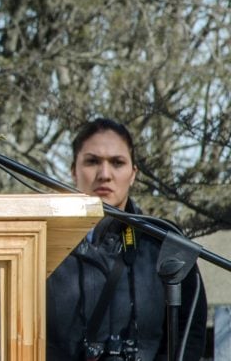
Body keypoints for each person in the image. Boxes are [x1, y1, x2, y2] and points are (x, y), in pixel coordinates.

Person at [46, 118, 207, 360]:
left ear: (133, 174)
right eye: (92, 161)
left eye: (117, 163)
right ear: (73, 171)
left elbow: (189, 339)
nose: (104, 174)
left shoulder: (164, 243)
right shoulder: (43, 244)